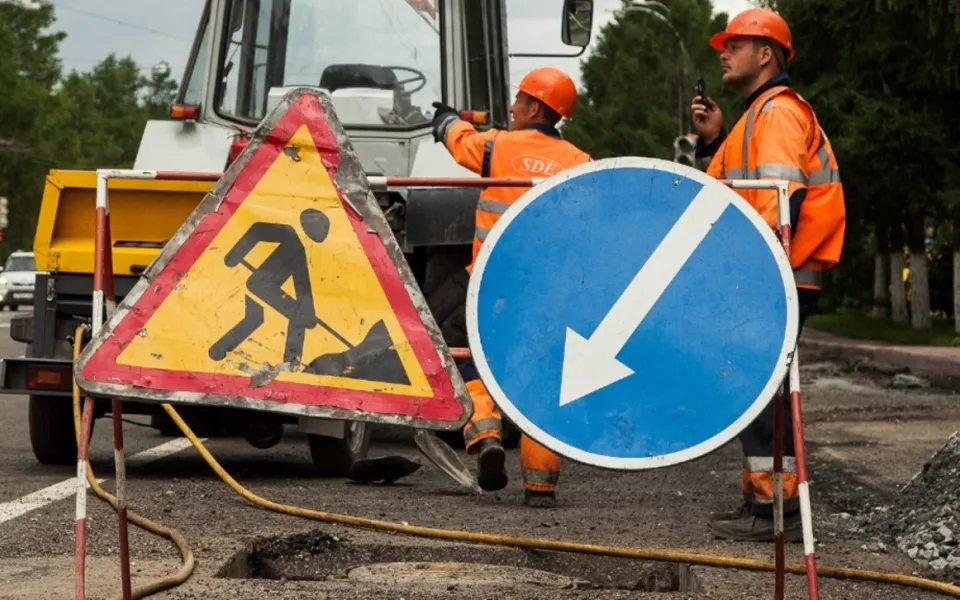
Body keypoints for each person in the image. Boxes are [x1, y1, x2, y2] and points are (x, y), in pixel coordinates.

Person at [689, 8, 846, 541]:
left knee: (761, 394)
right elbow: (728, 193)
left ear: (765, 54)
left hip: (774, 275)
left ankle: (775, 514)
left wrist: (759, 277)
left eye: (735, 45)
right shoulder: (757, 115)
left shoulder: (777, 113)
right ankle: (766, 507)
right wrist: (714, 141)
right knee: (758, 392)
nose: (723, 53)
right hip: (771, 274)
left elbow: (783, 202)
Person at [430, 67, 591, 508]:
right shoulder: (579, 162)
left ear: (536, 107)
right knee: (541, 377)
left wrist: (444, 119)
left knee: (466, 357)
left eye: (519, 100)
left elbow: (460, 142)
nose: (512, 107)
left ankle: (484, 435)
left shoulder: (498, 145)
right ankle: (541, 485)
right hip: (545, 294)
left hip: (490, 285)